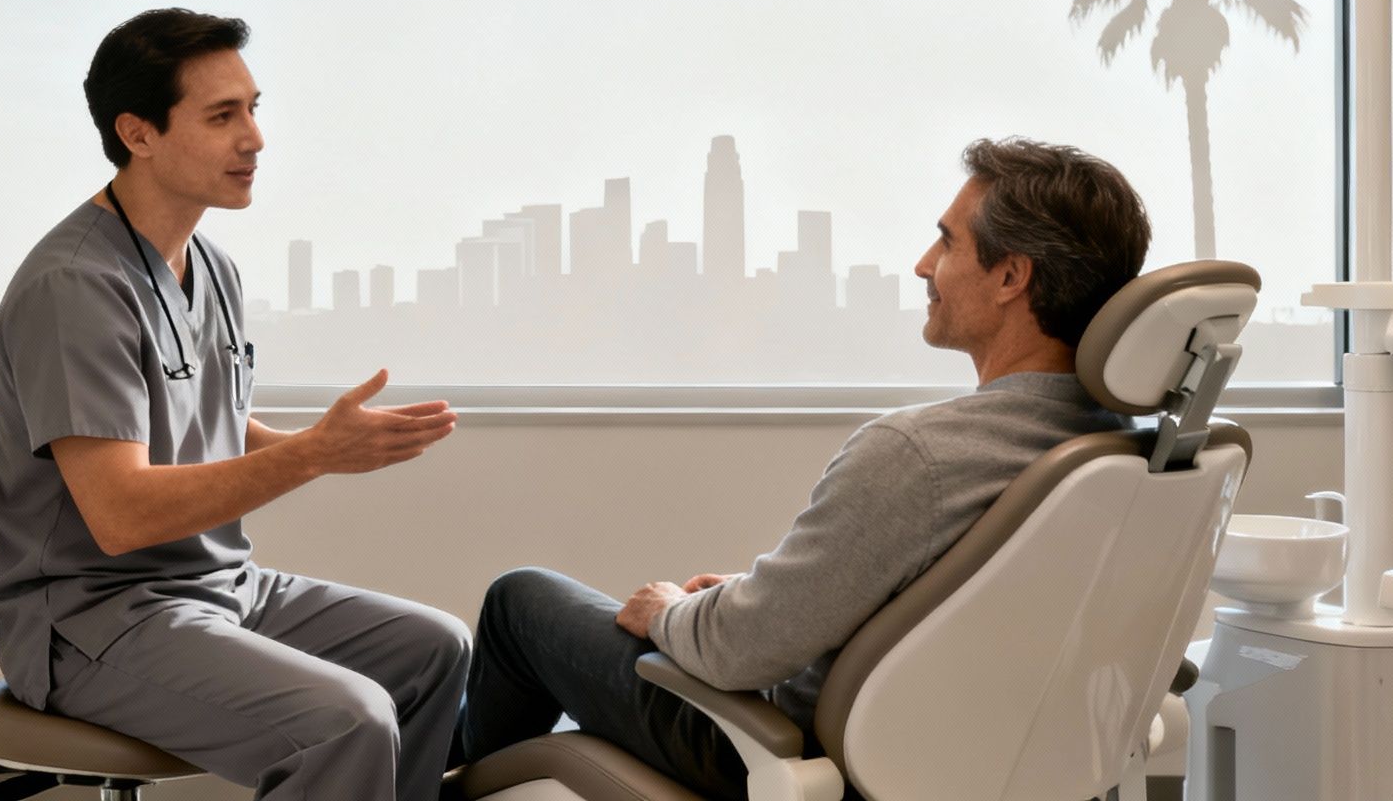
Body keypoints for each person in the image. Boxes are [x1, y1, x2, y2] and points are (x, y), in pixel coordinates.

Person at [455, 137, 1153, 800]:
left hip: (787, 752)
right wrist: (779, 595)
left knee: (521, 602)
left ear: (1010, 275)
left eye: (947, 241)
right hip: (992, 758)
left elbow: (739, 651)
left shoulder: (920, 454)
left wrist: (671, 612)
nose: (922, 265)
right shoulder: (1123, 457)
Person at [0, 8, 471, 801]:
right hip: (91, 624)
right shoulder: (74, 287)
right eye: (221, 116)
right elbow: (122, 513)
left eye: (253, 108)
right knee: (347, 720)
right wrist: (313, 454)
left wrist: (325, 442)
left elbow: (203, 418)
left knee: (434, 648)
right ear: (138, 134)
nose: (255, 138)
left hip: (215, 588)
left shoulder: (209, 266)